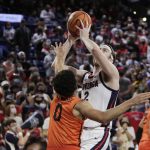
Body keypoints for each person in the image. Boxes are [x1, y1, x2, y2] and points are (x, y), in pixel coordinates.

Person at [52, 20, 119, 149]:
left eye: (104, 50)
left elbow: (94, 50)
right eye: (100, 49)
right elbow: (56, 66)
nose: (100, 50)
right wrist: (70, 40)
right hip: (78, 131)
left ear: (111, 59)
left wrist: (85, 38)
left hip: (97, 132)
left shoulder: (112, 75)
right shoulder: (85, 76)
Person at [47, 70, 150, 150]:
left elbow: (59, 74)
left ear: (56, 90)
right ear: (76, 87)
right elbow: (104, 117)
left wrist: (61, 55)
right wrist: (132, 101)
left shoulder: (55, 101)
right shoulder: (78, 105)